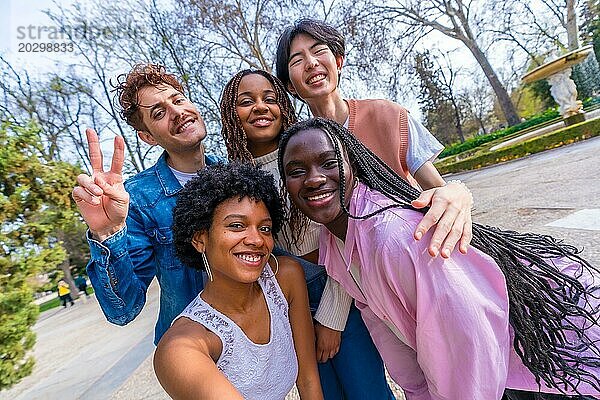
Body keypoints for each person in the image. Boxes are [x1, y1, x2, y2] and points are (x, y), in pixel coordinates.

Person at [278, 117, 600, 400]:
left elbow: (470, 342)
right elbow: (395, 343)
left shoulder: (393, 237)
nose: (314, 178)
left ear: (353, 164)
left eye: (328, 162)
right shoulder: (334, 244)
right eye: (296, 171)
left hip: (550, 343)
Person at [220, 69, 394, 399]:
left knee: (367, 391)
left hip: (341, 293)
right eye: (247, 101)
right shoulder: (232, 180)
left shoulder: (310, 160)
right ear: (230, 114)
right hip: (288, 309)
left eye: (269, 99)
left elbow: (346, 241)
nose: (260, 107)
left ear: (284, 106)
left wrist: (331, 317)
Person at [275, 18, 473, 259]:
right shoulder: (299, 149)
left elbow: (439, 190)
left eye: (319, 51)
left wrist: (458, 193)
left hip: (415, 251)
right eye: (297, 60)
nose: (311, 63)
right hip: (352, 265)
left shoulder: (388, 115)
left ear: (338, 62)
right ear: (290, 86)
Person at [72, 63, 220, 344]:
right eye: (159, 113)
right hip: (195, 351)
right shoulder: (136, 199)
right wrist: (107, 233)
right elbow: (123, 310)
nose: (177, 112)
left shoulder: (233, 175)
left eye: (178, 100)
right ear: (148, 137)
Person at [154, 162, 323, 400]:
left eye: (265, 228)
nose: (256, 239)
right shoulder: (181, 347)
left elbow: (308, 380)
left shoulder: (286, 278)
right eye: (236, 225)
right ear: (200, 239)